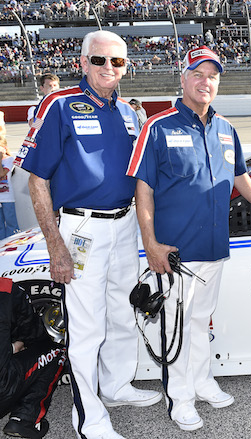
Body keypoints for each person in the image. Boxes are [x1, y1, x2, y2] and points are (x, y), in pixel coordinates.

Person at [127, 46, 251, 431]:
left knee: (199, 321)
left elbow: (239, 175)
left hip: (214, 246)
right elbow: (143, 189)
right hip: (175, 250)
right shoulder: (157, 127)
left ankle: (201, 381)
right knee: (177, 326)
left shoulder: (226, 128)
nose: (205, 82)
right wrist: (150, 243)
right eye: (197, 74)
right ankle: (179, 398)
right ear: (183, 78)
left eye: (212, 76)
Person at [14, 30, 162, 439]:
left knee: (121, 312)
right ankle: (90, 421)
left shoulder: (129, 113)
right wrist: (55, 245)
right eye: (99, 60)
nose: (108, 68)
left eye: (117, 61)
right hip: (81, 229)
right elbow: (36, 181)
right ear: (82, 62)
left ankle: (116, 385)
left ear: (126, 67)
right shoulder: (59, 104)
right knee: (86, 327)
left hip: (124, 224)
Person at [1, 277, 66, 439]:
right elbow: (33, 333)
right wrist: (16, 347)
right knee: (54, 350)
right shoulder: (5, 288)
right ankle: (24, 419)